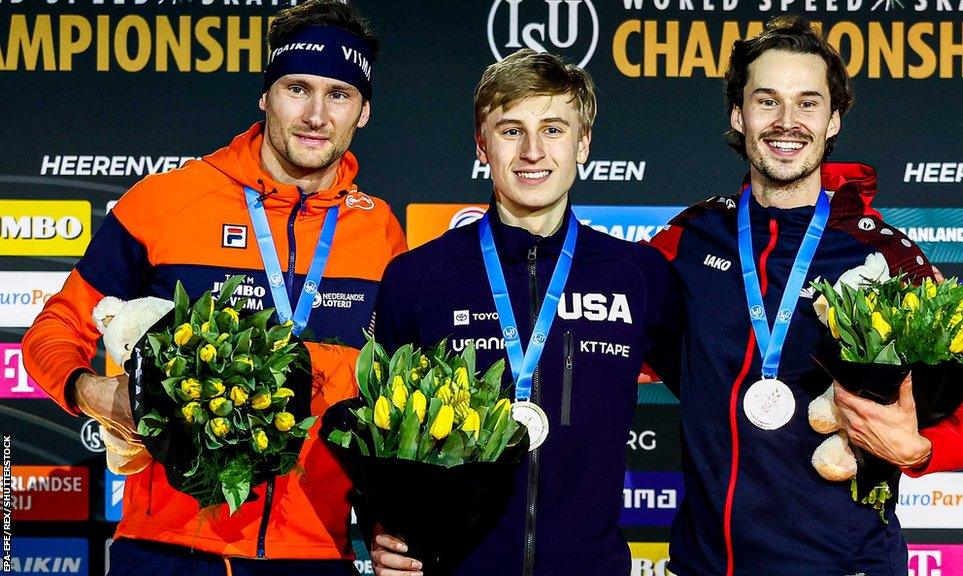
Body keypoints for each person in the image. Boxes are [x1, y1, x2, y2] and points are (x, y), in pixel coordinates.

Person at [21, 1, 406, 574]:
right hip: (168, 547)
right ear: (265, 95)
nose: (316, 114)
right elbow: (52, 331)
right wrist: (91, 392)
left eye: (339, 94)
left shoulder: (379, 231)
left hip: (313, 551)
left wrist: (385, 526)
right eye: (297, 88)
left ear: (364, 111)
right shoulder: (165, 202)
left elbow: (389, 403)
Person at [648, 16, 963, 576]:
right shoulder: (689, 239)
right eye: (767, 101)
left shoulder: (889, 258)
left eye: (808, 103)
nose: (787, 123)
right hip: (706, 566)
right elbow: (615, 340)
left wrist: (918, 451)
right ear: (738, 114)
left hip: (847, 564)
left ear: (833, 120)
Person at [368, 48, 682, 576]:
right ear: (481, 144)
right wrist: (381, 526)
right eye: (511, 130)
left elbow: (718, 403)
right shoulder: (418, 277)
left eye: (554, 129)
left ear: (583, 143)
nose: (533, 151)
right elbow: (375, 435)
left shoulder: (637, 274)